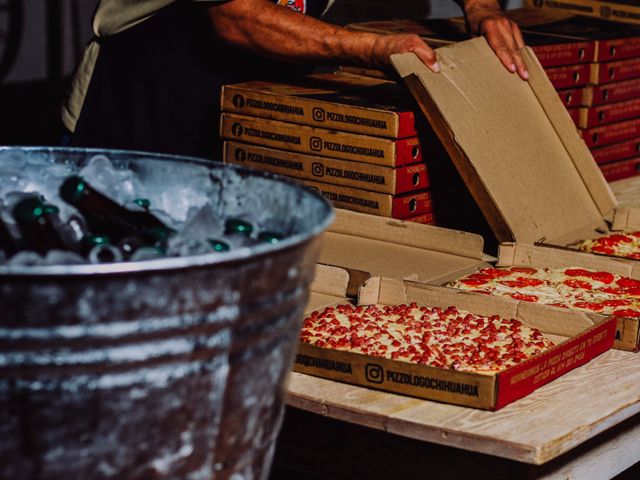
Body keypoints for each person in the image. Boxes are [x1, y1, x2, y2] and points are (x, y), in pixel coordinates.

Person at [64, 0, 528, 159]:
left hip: (255, 93)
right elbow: (236, 16)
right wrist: (369, 48)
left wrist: (482, 10)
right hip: (150, 101)